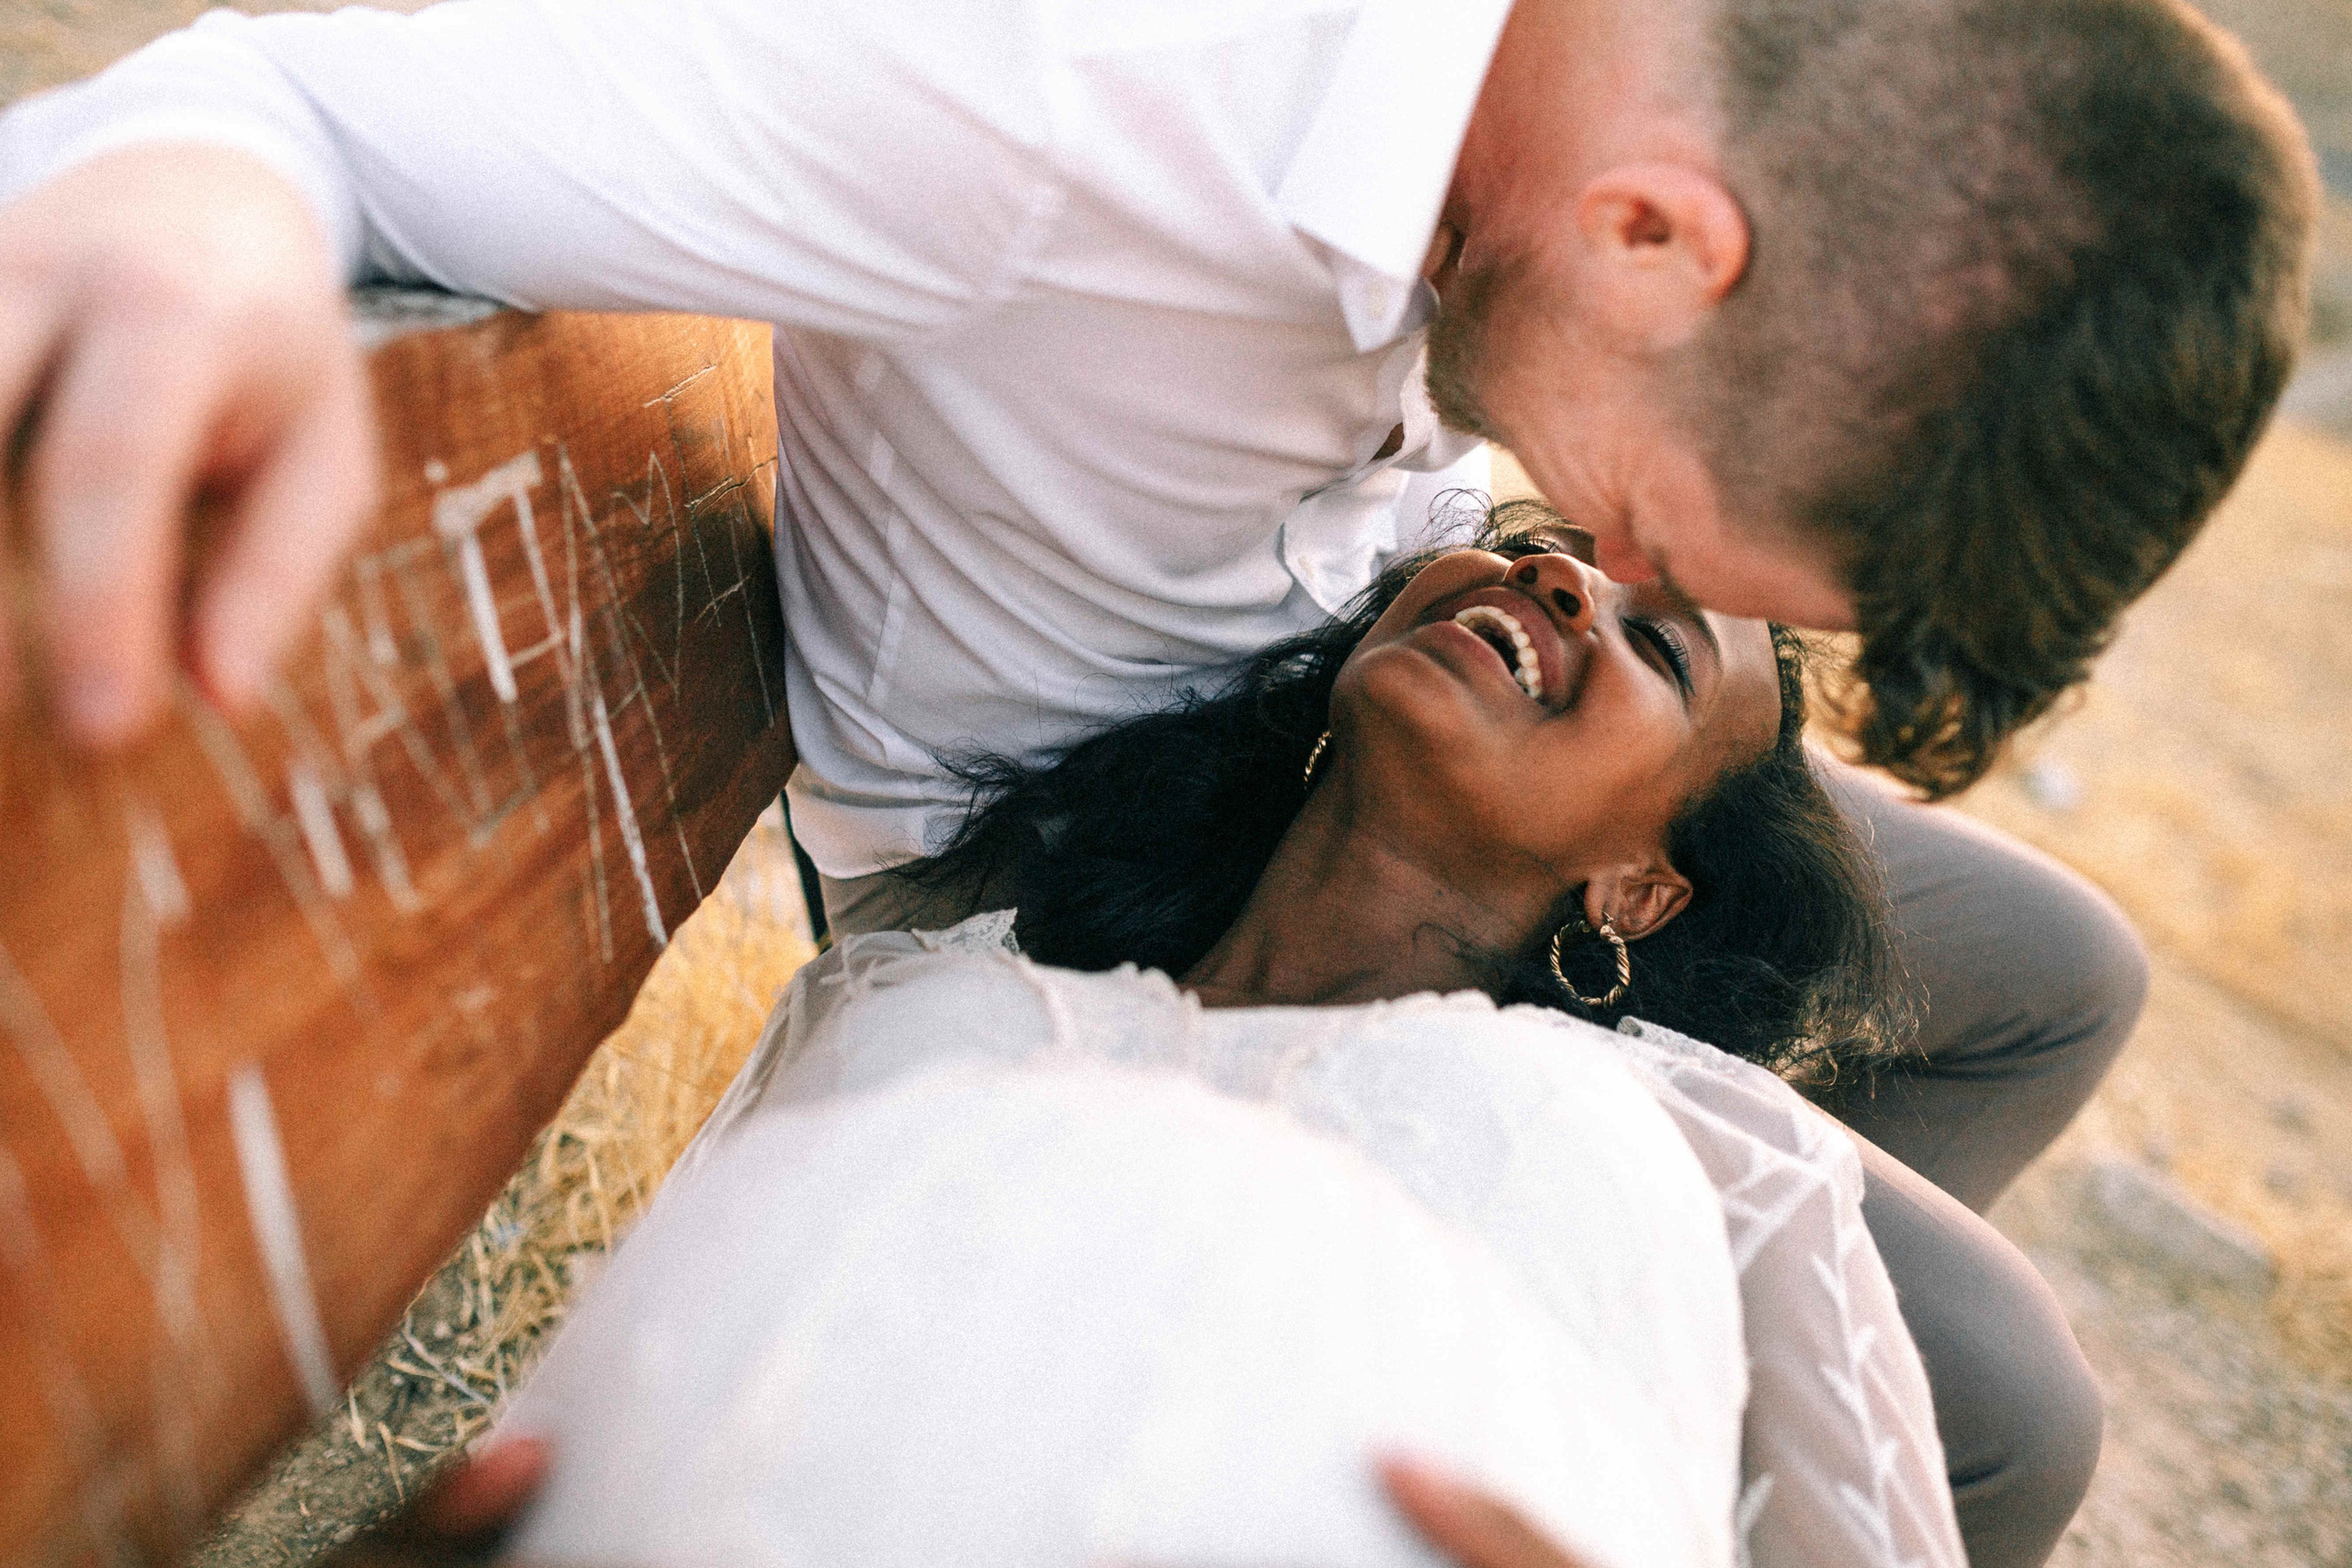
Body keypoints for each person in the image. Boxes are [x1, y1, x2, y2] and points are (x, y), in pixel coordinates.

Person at [0, 0, 2315, 1559]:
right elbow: (283, 110)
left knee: (2047, 964)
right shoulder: (1069, 97)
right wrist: (184, 221)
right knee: (2004, 1388)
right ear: (1650, 238)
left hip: (1333, 669)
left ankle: (1694, 1261)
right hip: (1177, 828)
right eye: (1644, 528)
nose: (1572, 539)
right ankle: (1669, 1237)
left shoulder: (1542, 120)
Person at [459, 526, 1962, 1568]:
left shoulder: (1678, 1137)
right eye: (1549, 552)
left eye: (1660, 646)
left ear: (1639, 885)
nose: (1562, 579)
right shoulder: (930, 995)